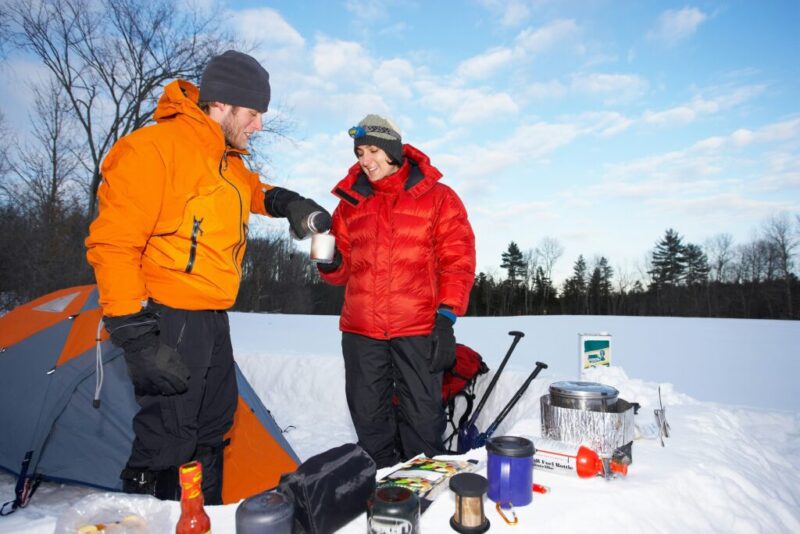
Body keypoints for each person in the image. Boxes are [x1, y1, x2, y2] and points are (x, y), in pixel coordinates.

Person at [85, 50, 331, 503]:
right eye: (253, 114)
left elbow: (254, 189)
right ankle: (147, 514)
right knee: (169, 435)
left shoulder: (226, 159)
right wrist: (135, 335)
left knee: (214, 425)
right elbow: (113, 244)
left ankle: (204, 517)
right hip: (168, 314)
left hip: (211, 316)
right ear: (222, 104)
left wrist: (290, 203)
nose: (257, 125)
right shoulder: (153, 149)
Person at [317, 114, 476, 468]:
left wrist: (446, 317)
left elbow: (457, 260)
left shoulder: (438, 198)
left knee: (422, 419)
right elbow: (340, 274)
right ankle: (382, 487)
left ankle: (421, 490)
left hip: (417, 328)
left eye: (373, 150)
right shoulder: (349, 203)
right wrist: (329, 264)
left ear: (394, 152)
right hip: (361, 331)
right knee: (369, 419)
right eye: (360, 152)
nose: (365, 160)